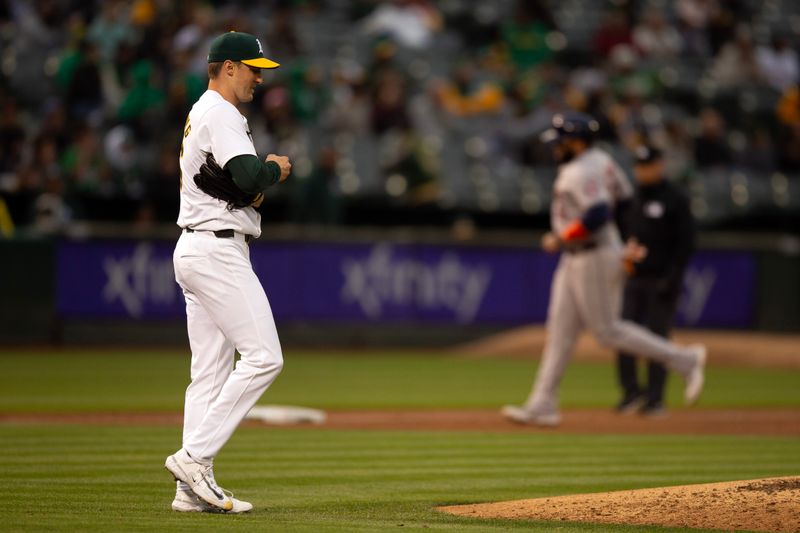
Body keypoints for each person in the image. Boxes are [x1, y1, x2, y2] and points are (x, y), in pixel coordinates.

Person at [502, 113, 706, 427]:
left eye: (561, 141)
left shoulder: (581, 170)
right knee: (559, 331)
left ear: (578, 141)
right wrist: (625, 241)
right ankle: (543, 402)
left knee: (608, 330)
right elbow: (624, 203)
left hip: (592, 255)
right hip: (582, 255)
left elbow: (598, 213)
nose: (556, 147)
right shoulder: (601, 160)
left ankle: (684, 359)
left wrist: (562, 237)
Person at [164, 31, 292, 513]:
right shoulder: (222, 113)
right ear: (228, 67)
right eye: (253, 67)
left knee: (209, 374)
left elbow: (235, 185)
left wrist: (251, 187)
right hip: (216, 250)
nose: (259, 77)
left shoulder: (202, 110)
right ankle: (194, 459)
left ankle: (188, 490)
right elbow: (248, 177)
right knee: (264, 358)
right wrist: (274, 169)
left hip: (197, 245)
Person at [616, 145, 695, 417]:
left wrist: (673, 277)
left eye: (647, 165)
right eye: (638, 166)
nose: (642, 171)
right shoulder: (632, 197)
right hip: (633, 278)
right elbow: (622, 233)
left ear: (659, 165)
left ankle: (655, 398)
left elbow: (685, 243)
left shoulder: (675, 198)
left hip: (661, 279)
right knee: (623, 335)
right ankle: (630, 393)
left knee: (657, 337)